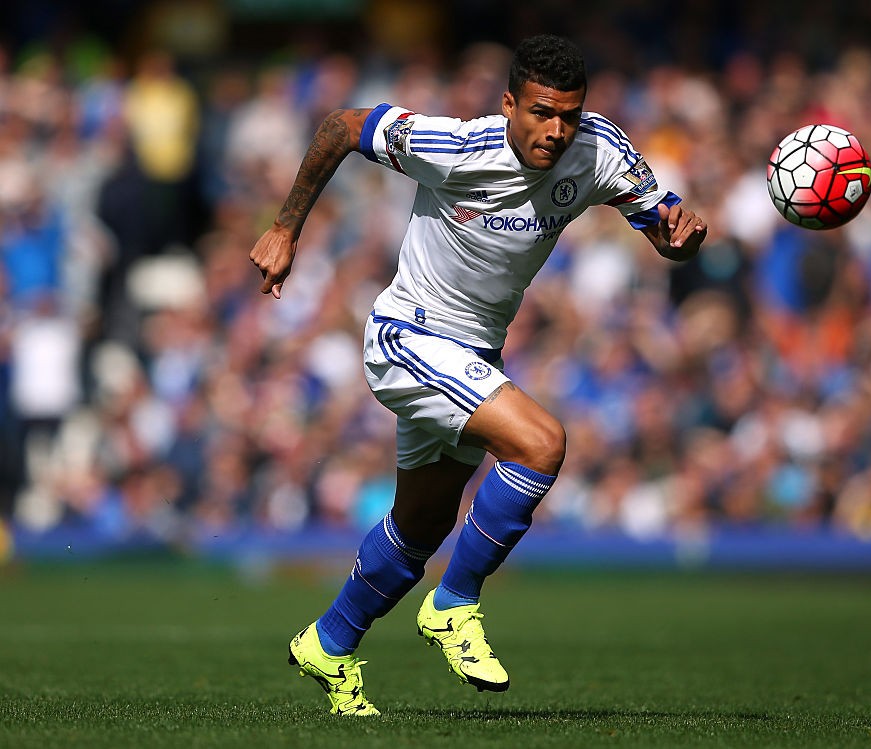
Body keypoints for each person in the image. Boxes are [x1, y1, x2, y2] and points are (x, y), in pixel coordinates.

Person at [249, 34, 707, 716]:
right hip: (406, 338)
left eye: (569, 115)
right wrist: (286, 229)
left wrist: (678, 238)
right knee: (542, 443)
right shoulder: (457, 145)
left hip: (474, 357)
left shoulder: (600, 149)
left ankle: (330, 641)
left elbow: (661, 224)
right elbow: (341, 126)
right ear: (508, 104)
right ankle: (455, 604)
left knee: (419, 526)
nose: (556, 130)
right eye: (541, 112)